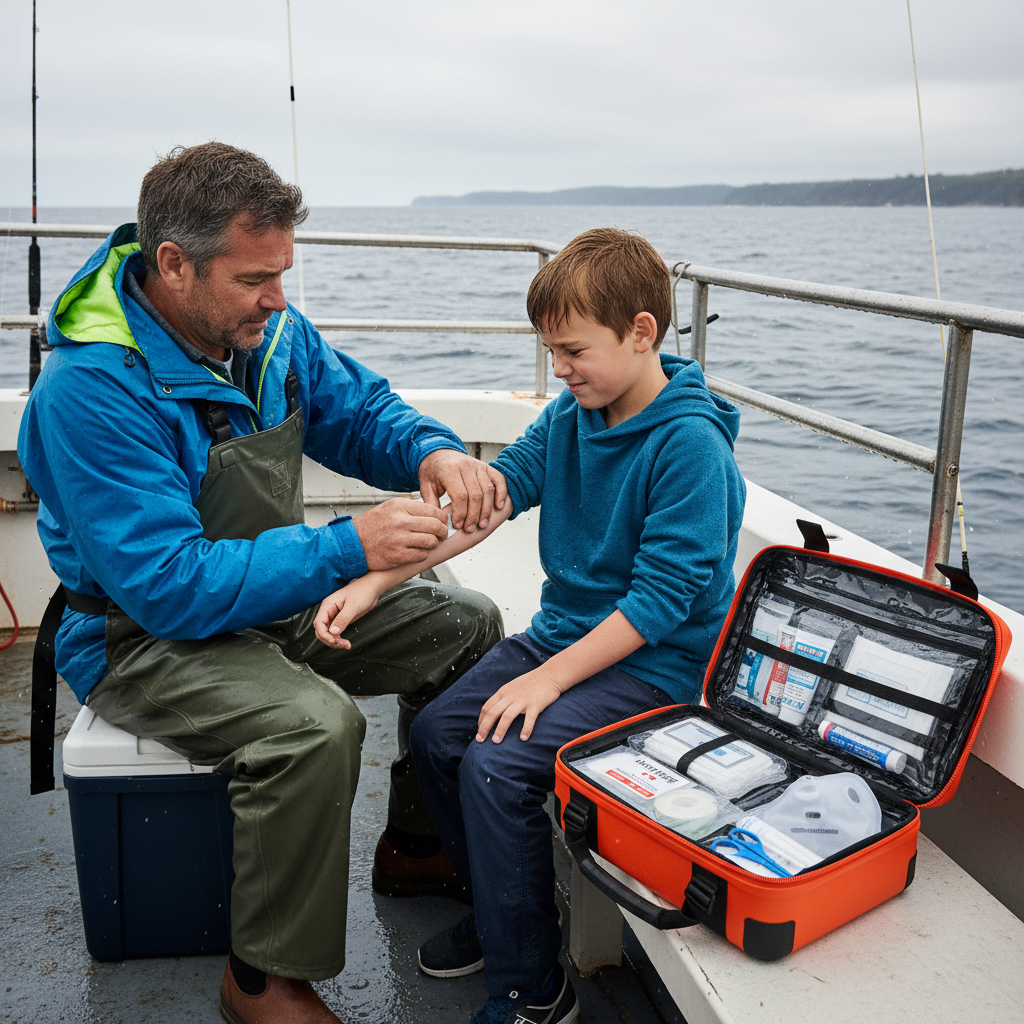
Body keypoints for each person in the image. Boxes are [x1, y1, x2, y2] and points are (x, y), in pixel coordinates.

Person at [18, 142, 508, 1024]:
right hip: (141, 637)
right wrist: (349, 547)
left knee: (468, 625)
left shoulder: (268, 333)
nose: (277, 297)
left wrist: (431, 448)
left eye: (283, 272)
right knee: (314, 726)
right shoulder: (88, 390)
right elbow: (166, 586)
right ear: (174, 265)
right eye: (254, 278)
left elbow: (357, 412)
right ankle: (261, 981)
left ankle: (414, 843)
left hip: (265, 598)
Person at [314, 227, 747, 1024]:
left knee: (495, 764)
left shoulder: (690, 447)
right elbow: (487, 502)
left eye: (574, 350)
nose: (560, 369)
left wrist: (544, 678)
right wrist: (376, 583)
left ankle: (533, 992)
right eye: (551, 351)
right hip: (567, 639)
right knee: (444, 734)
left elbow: (661, 602)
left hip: (660, 666)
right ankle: (498, 912)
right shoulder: (573, 413)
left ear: (642, 332)